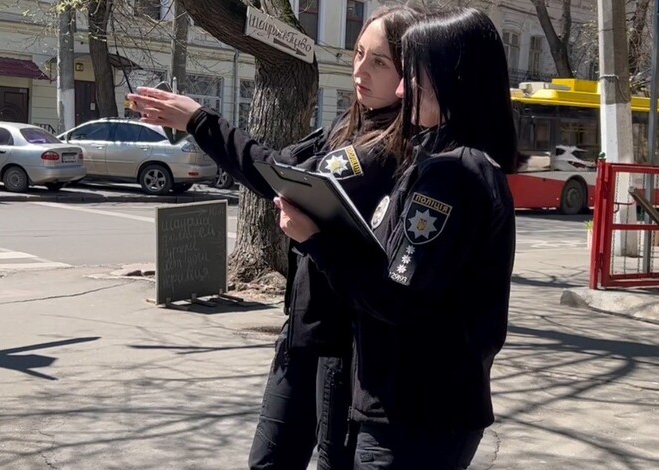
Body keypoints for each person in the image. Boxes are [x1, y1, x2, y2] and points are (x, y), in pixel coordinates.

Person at [127, 6, 421, 469]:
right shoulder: (349, 124)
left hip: (341, 345)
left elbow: (279, 175)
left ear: (409, 74)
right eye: (359, 53)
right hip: (303, 332)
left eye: (379, 62)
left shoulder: (387, 148)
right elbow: (280, 164)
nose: (360, 70)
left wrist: (201, 121)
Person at [274, 8, 517, 469]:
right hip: (410, 408)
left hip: (416, 416)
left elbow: (397, 296)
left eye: (415, 75)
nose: (403, 90)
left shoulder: (451, 175)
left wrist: (317, 242)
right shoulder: (440, 161)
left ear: (452, 79)